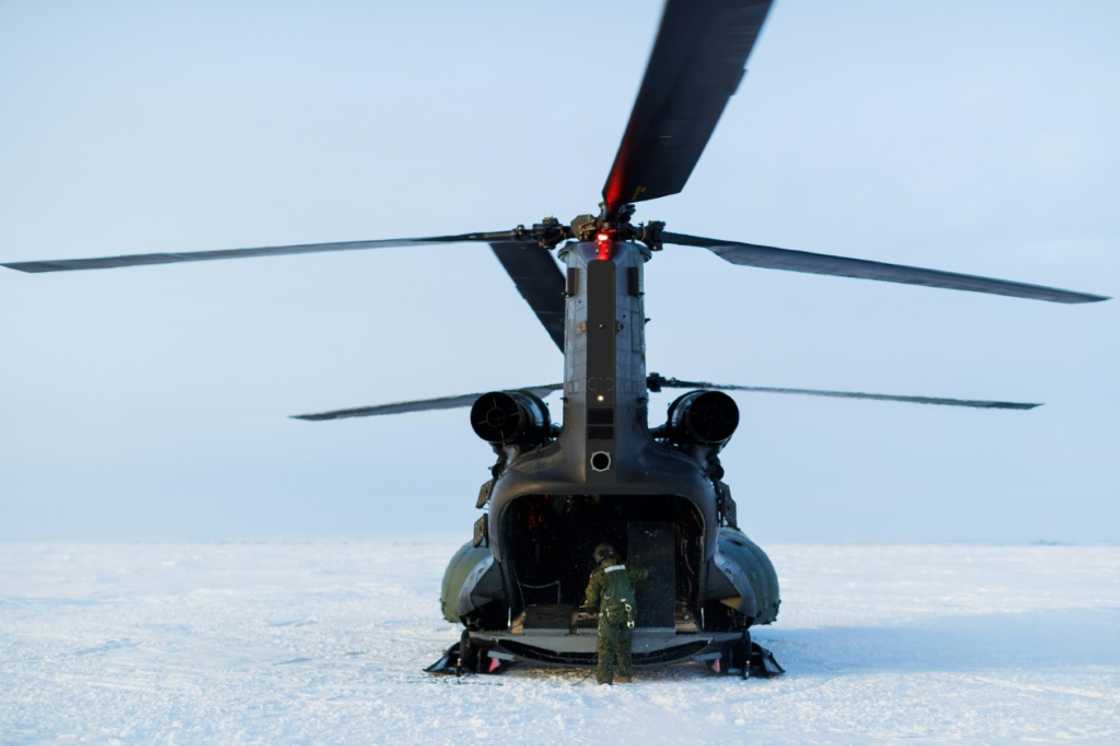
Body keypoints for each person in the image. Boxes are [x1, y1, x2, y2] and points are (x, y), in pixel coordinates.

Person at [580, 543, 648, 684]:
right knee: (624, 644)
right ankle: (625, 675)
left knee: (606, 645)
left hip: (611, 612)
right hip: (629, 611)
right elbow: (643, 574)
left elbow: (591, 594)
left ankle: (605, 680)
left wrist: (590, 607)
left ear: (599, 556)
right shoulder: (625, 568)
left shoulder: (599, 573)